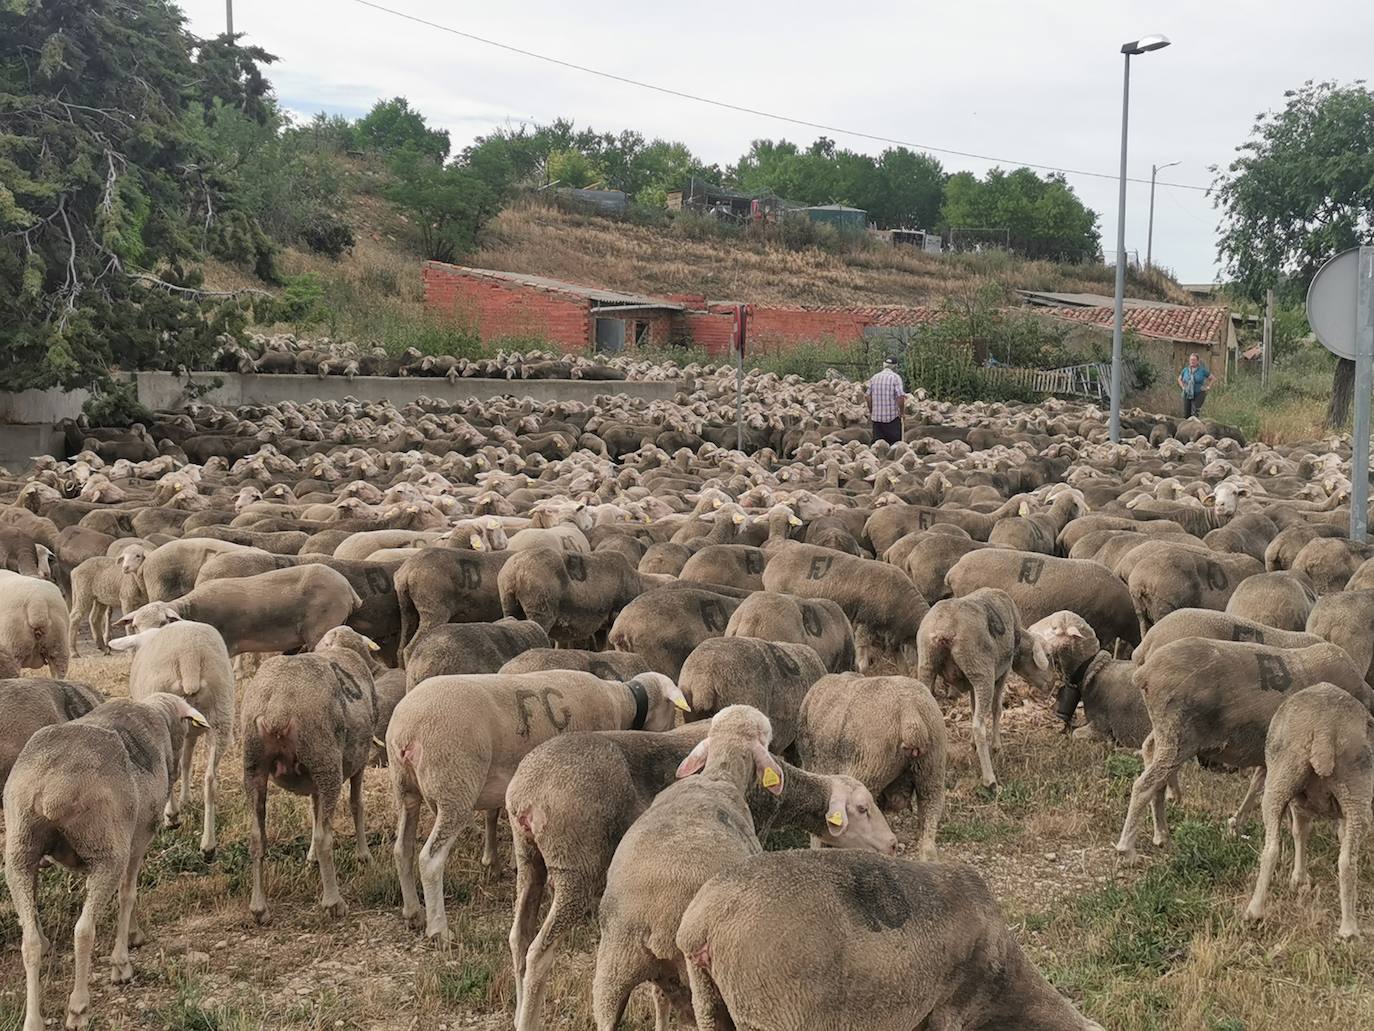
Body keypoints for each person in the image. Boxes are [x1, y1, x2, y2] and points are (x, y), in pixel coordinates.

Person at [867, 356, 906, 445]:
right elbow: (900, 397)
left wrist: (871, 411)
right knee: (894, 446)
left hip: (877, 420)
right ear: (895, 367)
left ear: (884, 365)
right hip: (891, 419)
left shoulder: (874, 377)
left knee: (878, 446)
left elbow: (868, 396)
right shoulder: (895, 377)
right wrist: (902, 412)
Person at [1177, 352, 1214, 419]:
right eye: (1191, 360)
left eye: (1194, 360)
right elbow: (1179, 379)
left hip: (1199, 394)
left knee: (1194, 413)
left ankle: (1195, 428)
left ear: (1197, 361)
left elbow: (1213, 378)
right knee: (1186, 414)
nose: (1192, 361)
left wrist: (1208, 387)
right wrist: (1182, 387)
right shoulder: (1185, 370)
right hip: (1187, 393)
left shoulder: (1202, 370)